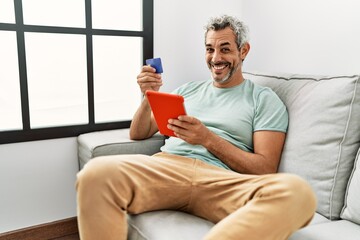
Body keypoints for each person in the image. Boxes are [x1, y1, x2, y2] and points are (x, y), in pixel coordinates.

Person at [76, 15, 316, 240]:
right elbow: (138, 133)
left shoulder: (264, 99)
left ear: (243, 51)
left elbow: (265, 169)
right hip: (167, 169)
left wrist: (206, 138)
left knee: (297, 192)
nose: (215, 58)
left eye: (225, 49)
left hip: (223, 181)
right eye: (210, 49)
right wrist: (148, 96)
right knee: (95, 172)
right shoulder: (187, 90)